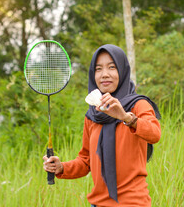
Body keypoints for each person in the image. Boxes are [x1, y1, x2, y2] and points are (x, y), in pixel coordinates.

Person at [43, 44, 161, 206]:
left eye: (112, 67)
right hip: (98, 203)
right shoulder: (93, 115)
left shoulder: (138, 105)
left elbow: (155, 134)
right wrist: (61, 167)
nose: (105, 74)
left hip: (132, 203)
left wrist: (126, 117)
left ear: (122, 70)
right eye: (98, 69)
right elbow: (86, 161)